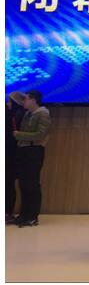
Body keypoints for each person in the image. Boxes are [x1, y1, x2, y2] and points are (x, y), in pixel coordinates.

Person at [12, 90, 51, 227]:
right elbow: (15, 96)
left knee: (32, 184)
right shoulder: (28, 113)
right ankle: (24, 215)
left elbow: (40, 135)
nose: (24, 101)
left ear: (34, 100)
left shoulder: (43, 114)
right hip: (24, 150)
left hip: (34, 151)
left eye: (26, 99)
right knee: (23, 184)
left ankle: (32, 216)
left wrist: (18, 135)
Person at [5, 91, 26, 224]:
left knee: (8, 183)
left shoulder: (16, 115)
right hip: (12, 153)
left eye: (10, 101)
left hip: (11, 154)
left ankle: (7, 212)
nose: (8, 104)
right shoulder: (17, 114)